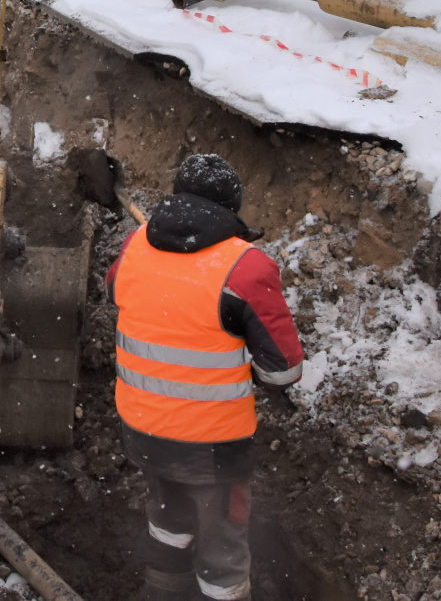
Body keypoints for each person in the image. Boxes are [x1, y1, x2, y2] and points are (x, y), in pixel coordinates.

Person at [107, 154, 303, 601]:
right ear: (232, 207)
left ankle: (161, 592)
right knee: (223, 553)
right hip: (212, 447)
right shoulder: (246, 267)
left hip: (142, 428)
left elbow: (116, 289)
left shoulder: (136, 244)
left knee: (169, 525)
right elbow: (283, 370)